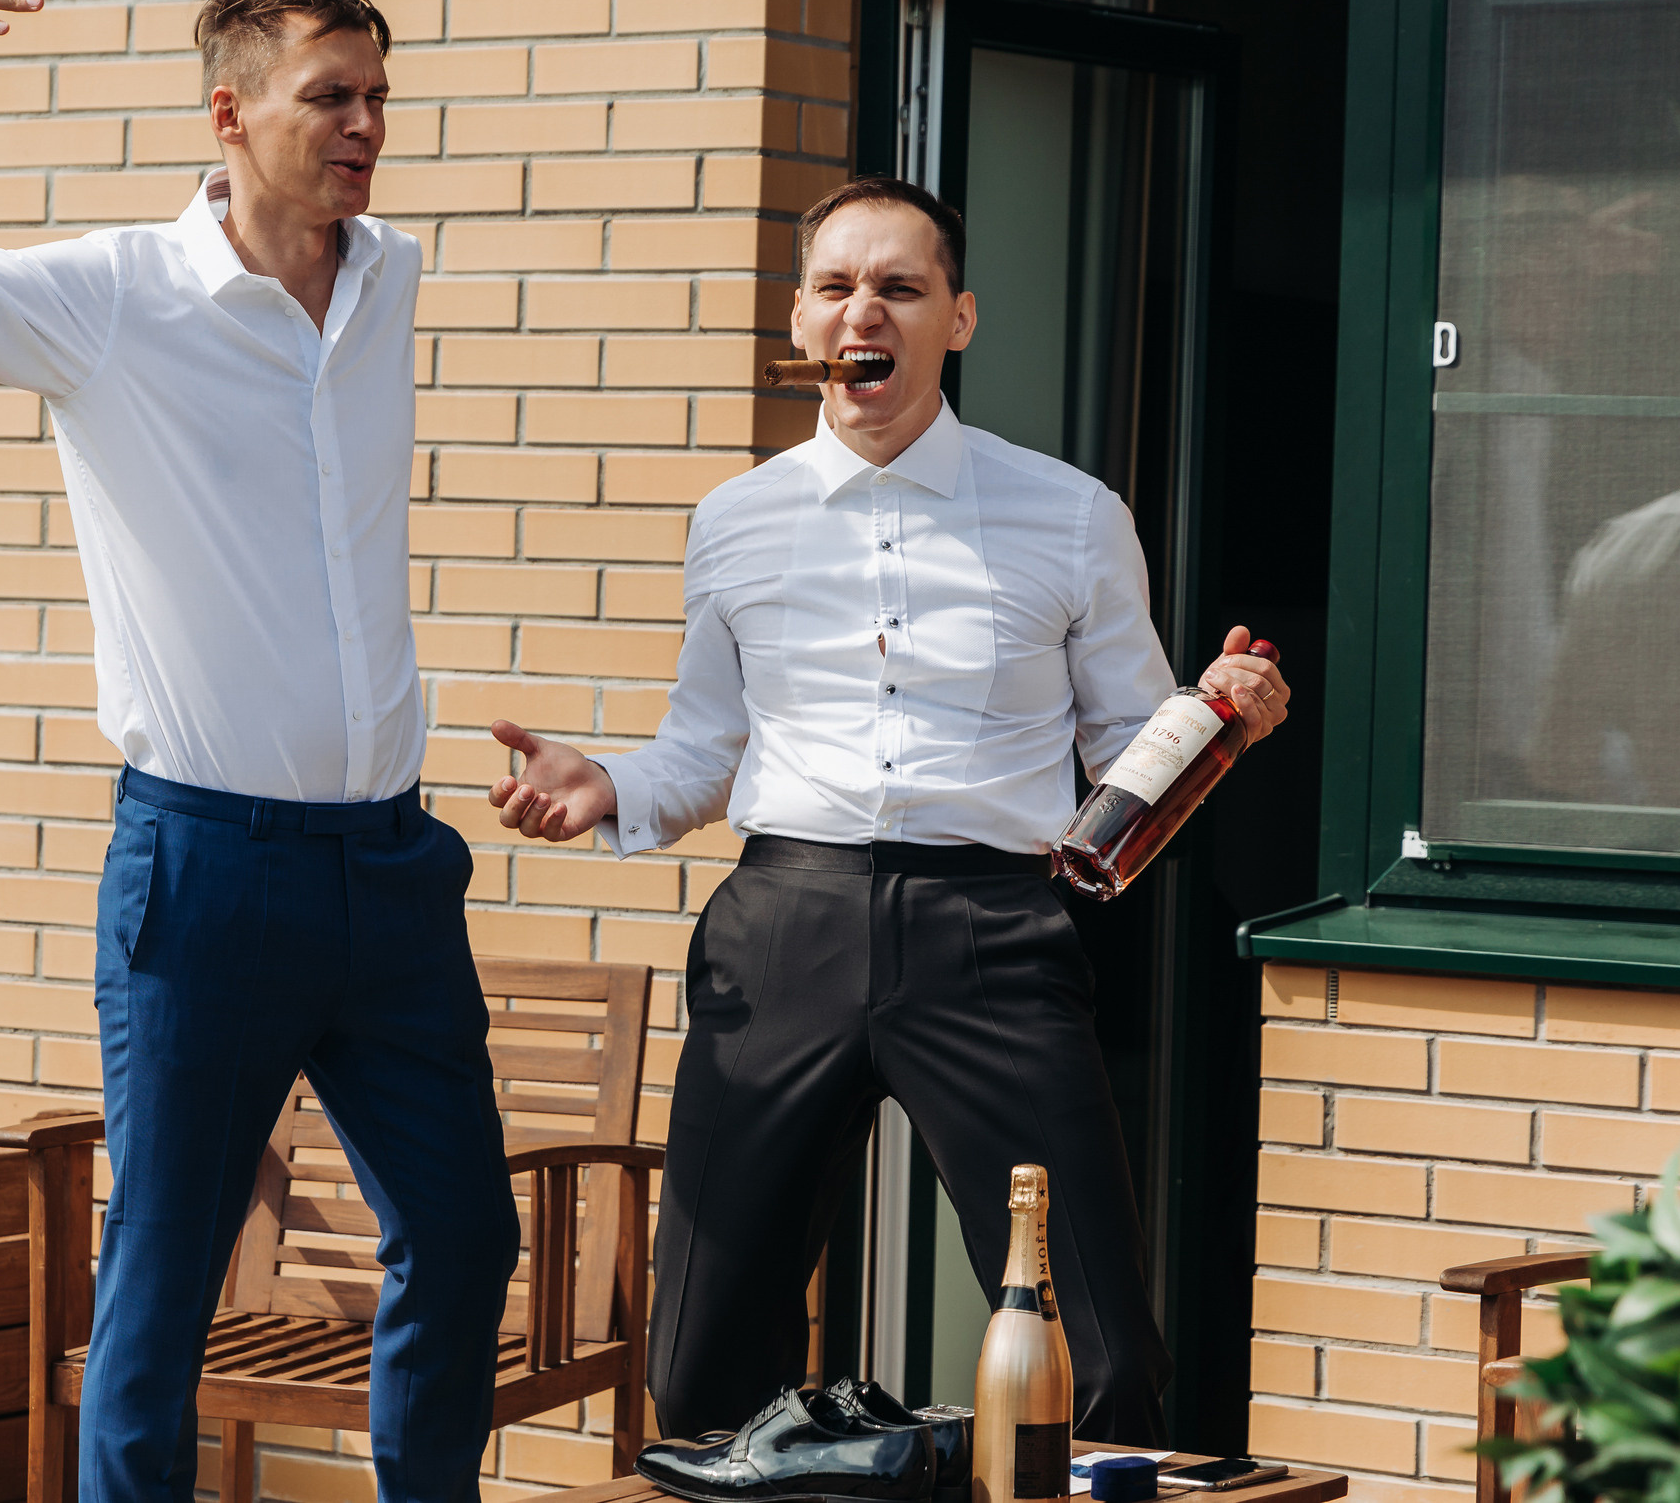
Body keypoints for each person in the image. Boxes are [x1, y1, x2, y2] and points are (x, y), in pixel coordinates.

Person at [0, 0, 518, 1503]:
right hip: (209, 872)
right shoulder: (113, 297)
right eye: (331, 96)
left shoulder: (391, 274)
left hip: (394, 871)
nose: (367, 125)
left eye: (378, 97)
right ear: (229, 113)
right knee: (167, 1271)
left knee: (467, 1228)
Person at [484, 176, 1290, 1444]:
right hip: (781, 929)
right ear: (801, 320)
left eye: (901, 288)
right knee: (696, 1368)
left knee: (1097, 1360)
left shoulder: (1073, 515)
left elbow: (1129, 758)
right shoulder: (734, 520)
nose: (865, 310)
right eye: (837, 286)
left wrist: (1220, 721)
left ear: (957, 320)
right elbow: (703, 747)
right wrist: (608, 786)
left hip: (992, 936)